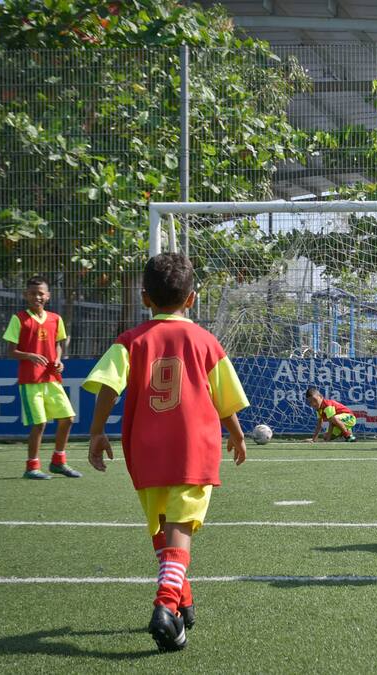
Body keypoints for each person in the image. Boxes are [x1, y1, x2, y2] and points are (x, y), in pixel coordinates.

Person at [84, 253, 249, 652]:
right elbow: (223, 398)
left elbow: (108, 386)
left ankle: (182, 601)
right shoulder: (205, 341)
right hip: (193, 447)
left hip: (145, 448)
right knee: (181, 527)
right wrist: (237, 434)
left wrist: (97, 432)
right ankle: (165, 604)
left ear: (145, 297)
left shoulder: (131, 340)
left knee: (164, 528)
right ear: (191, 299)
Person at [3, 276, 80, 480]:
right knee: (40, 424)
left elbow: (58, 344)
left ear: (48, 296)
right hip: (31, 381)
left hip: (52, 378)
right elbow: (11, 351)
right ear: (25, 295)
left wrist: (59, 360)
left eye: (40, 293)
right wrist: (29, 355)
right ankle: (32, 467)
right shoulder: (19, 319)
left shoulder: (55, 319)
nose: (36, 297)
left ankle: (58, 462)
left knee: (68, 419)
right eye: (32, 293)